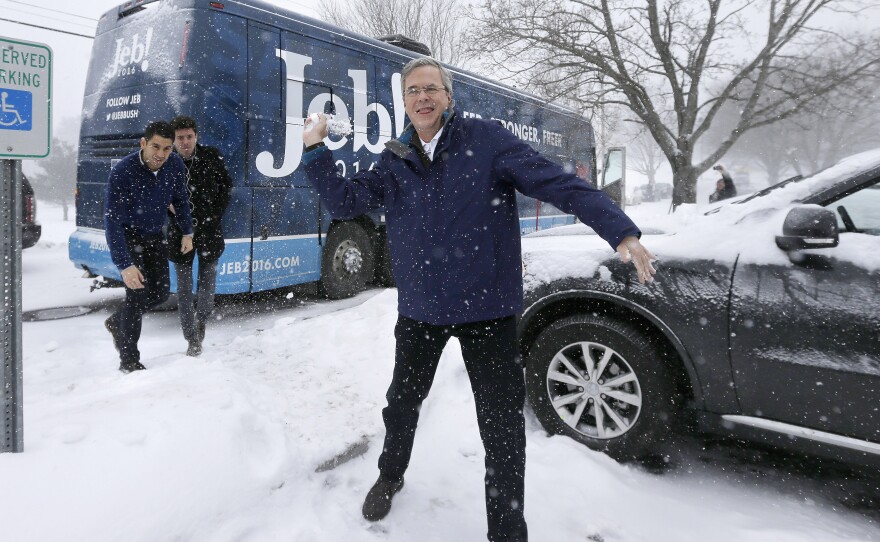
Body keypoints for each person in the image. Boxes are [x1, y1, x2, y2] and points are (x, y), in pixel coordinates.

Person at [301, 57, 656, 542]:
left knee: (502, 428)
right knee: (401, 405)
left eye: (431, 89)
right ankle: (390, 475)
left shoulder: (486, 141)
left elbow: (558, 184)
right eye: (412, 92)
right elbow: (346, 203)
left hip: (487, 311)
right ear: (403, 103)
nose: (422, 98)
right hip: (421, 310)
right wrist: (315, 150)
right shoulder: (396, 156)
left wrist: (621, 233)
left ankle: (507, 531)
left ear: (448, 96)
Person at [104, 121, 194, 373]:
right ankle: (129, 360)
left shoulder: (174, 164)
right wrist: (125, 265)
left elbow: (180, 198)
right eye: (156, 146)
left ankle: (116, 322)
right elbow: (112, 222)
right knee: (136, 295)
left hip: (155, 236)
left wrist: (187, 231)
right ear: (143, 144)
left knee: (162, 292)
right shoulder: (123, 171)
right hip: (129, 237)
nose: (161, 154)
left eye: (167, 148)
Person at [167, 115, 232, 357]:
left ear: (196, 137)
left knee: (207, 289)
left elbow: (226, 185)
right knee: (184, 290)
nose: (185, 142)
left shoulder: (210, 157)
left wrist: (214, 214)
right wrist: (167, 205)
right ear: (173, 139)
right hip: (179, 234)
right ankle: (192, 339)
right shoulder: (167, 161)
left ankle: (201, 320)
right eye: (180, 138)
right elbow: (155, 191)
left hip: (210, 232)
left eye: (189, 137)